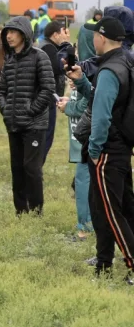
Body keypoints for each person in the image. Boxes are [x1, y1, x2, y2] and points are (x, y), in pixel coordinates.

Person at [67, 17, 134, 282]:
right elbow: (106, 98)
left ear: (102, 38)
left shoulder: (109, 70)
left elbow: (102, 116)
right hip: (121, 146)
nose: (92, 38)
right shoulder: (125, 60)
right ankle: (103, 263)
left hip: (107, 149)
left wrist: (94, 150)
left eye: (95, 35)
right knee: (121, 206)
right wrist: (82, 83)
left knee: (111, 211)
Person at [0, 15, 56, 215]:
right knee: (17, 169)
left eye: (13, 32)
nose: (9, 36)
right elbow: (0, 91)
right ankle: (20, 210)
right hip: (14, 124)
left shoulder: (40, 57)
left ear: (24, 34)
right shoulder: (10, 60)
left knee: (32, 169)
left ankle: (37, 209)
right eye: (7, 33)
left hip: (34, 125)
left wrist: (31, 110)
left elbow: (48, 89)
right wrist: (6, 109)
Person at [60, 72, 94, 243]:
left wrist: (69, 108)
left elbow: (87, 104)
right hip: (85, 140)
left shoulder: (94, 68)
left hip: (88, 140)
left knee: (84, 182)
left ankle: (85, 228)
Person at [40, 21, 71, 159]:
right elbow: (62, 66)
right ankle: (36, 169)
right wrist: (67, 45)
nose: (64, 36)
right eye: (62, 33)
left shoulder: (46, 46)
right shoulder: (49, 48)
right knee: (46, 137)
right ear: (55, 34)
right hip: (47, 99)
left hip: (45, 97)